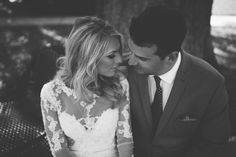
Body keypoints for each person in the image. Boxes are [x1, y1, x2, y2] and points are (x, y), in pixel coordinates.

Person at [126, 5, 231, 157]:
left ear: (171, 58)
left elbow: (213, 146)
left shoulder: (210, 83)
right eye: (131, 51)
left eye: (142, 58)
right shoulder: (120, 73)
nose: (130, 61)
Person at [40, 16, 133, 157]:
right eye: (111, 56)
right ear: (89, 58)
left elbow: (125, 140)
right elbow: (59, 149)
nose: (119, 60)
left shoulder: (120, 85)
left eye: (119, 53)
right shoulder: (51, 93)